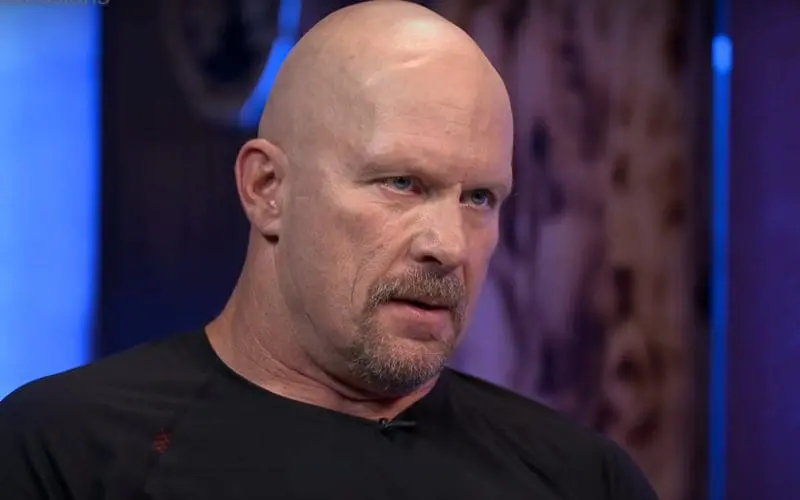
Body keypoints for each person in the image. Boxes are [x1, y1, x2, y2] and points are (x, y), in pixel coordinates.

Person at [0, 1, 658, 499]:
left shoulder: (580, 479)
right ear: (267, 188)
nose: (448, 245)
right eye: (402, 183)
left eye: (479, 198)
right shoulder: (63, 451)